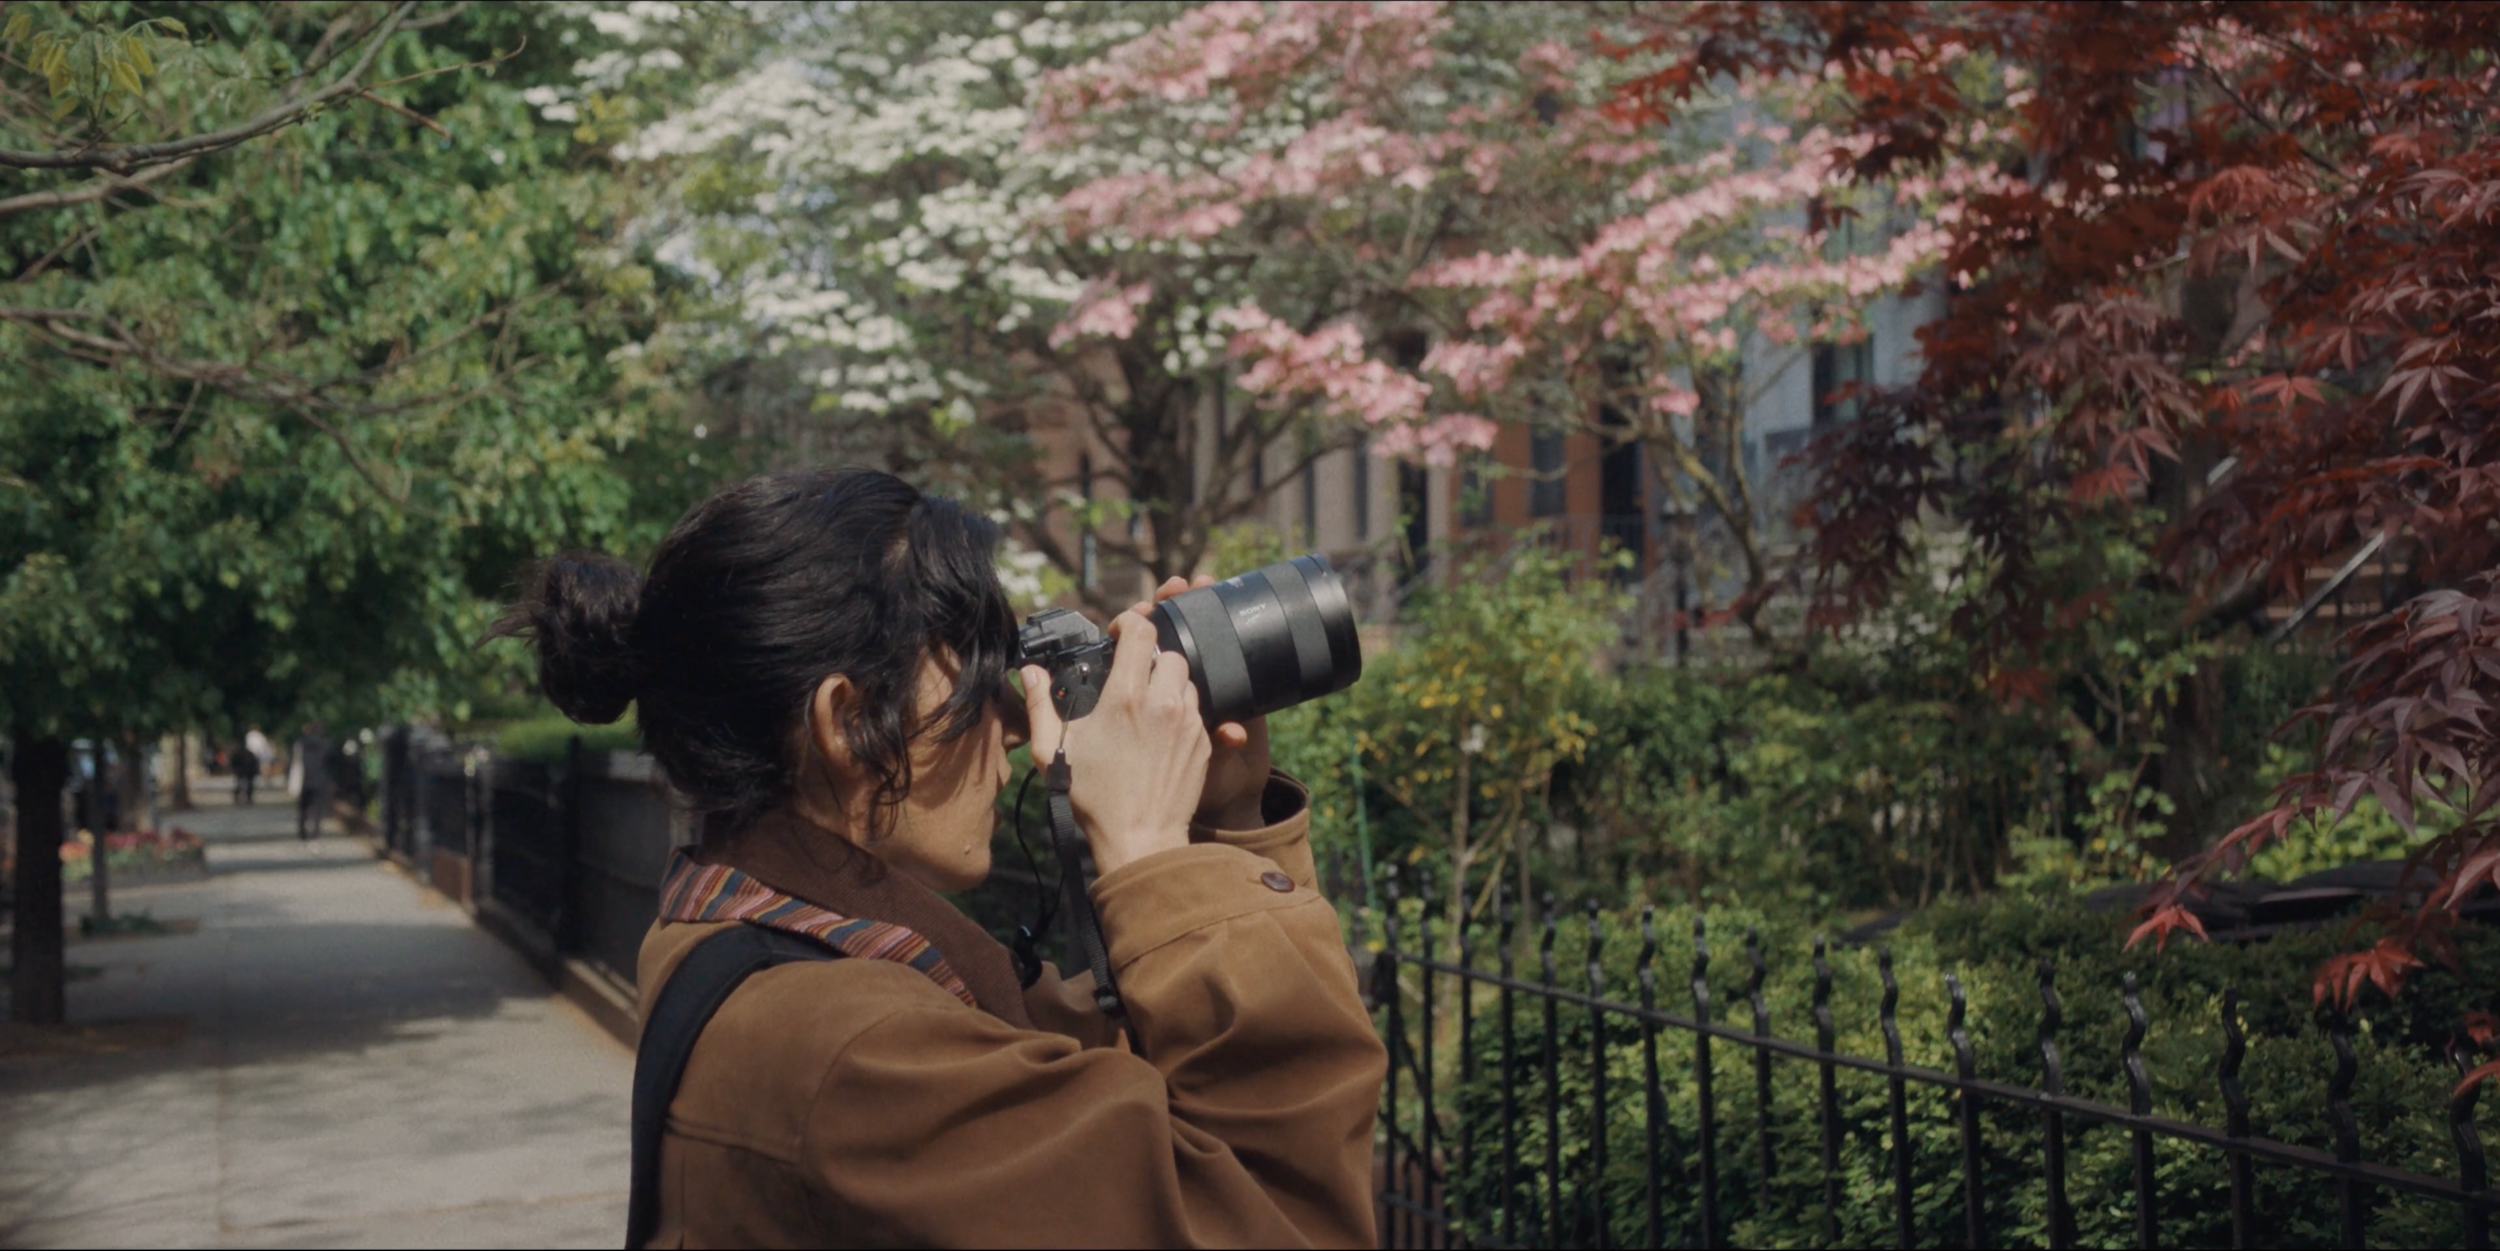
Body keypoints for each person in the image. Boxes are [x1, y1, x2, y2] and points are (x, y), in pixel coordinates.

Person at [495, 469, 1383, 1248]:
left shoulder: (762, 933)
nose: (1010, 723)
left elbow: (1088, 1065)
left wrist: (1217, 815)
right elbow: (1282, 1218)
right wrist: (1151, 857)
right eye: (978, 682)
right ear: (848, 724)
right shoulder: (853, 1052)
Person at [293, 720, 332, 841]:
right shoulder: (326, 744)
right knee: (318, 806)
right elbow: (332, 762)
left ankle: (302, 828)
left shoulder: (302, 743)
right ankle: (315, 828)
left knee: (303, 806)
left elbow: (295, 760)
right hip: (320, 779)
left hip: (304, 779)